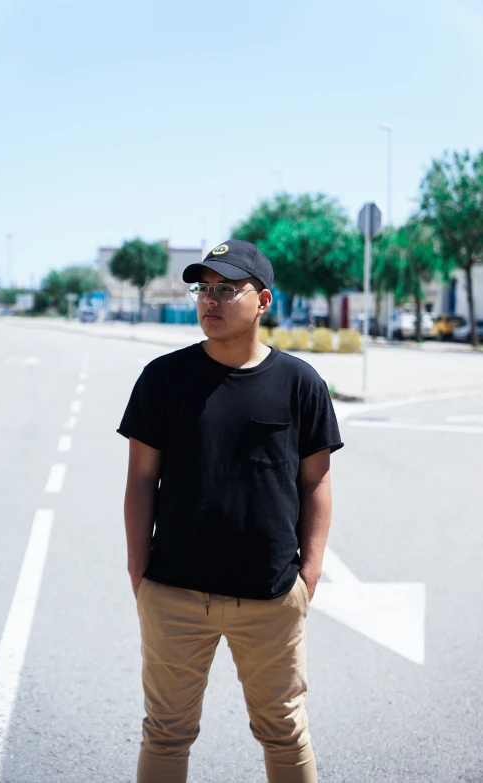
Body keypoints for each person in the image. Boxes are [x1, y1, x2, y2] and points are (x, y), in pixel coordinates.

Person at [117, 239, 344, 783]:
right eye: (203, 289)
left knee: (284, 729)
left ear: (263, 301)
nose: (209, 300)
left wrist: (307, 574)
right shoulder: (162, 378)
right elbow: (142, 476)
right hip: (174, 592)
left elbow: (316, 483)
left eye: (226, 289)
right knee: (166, 733)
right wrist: (138, 570)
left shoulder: (300, 384)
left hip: (270, 598)